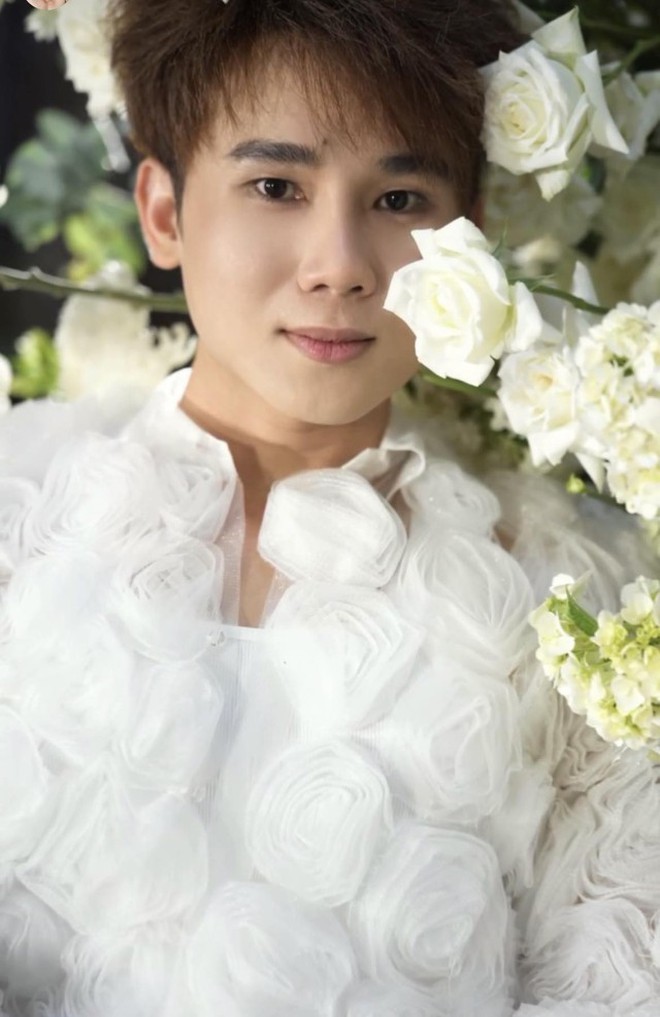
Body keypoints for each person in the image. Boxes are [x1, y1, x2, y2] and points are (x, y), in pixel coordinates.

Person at [0, 0, 659, 1013]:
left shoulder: (566, 606)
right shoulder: (23, 511)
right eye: (276, 186)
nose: (340, 264)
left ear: (471, 240)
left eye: (399, 198)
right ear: (164, 212)